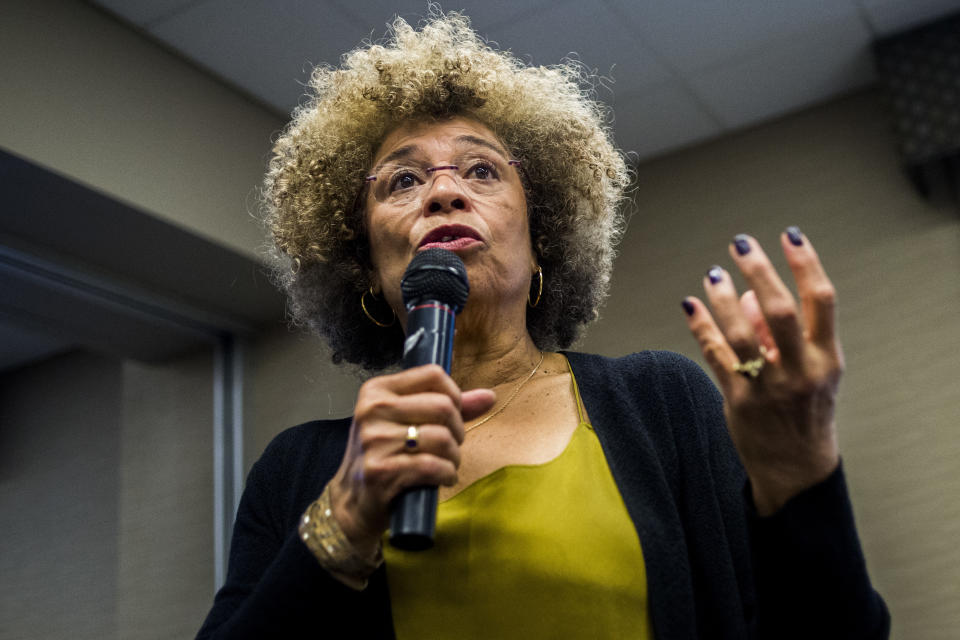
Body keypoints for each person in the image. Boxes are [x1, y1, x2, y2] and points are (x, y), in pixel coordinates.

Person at [197, 11, 889, 639]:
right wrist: (341, 527)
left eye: (481, 170)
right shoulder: (296, 472)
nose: (444, 190)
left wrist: (802, 475)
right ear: (364, 266)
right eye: (402, 181)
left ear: (541, 244)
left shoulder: (661, 405)